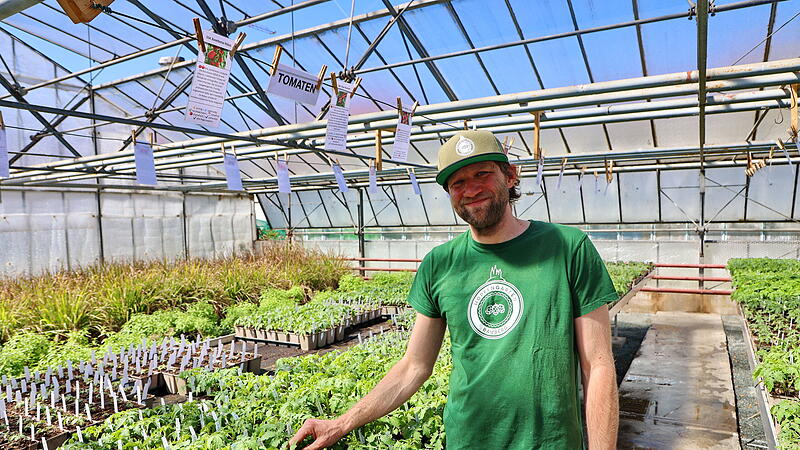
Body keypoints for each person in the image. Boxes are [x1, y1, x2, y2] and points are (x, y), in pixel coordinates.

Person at [290, 130, 619, 449]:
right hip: (467, 438)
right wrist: (341, 423)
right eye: (457, 183)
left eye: (482, 174)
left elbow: (598, 364)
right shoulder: (440, 263)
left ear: (510, 176)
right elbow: (414, 366)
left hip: (549, 442)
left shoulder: (567, 247)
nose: (471, 189)